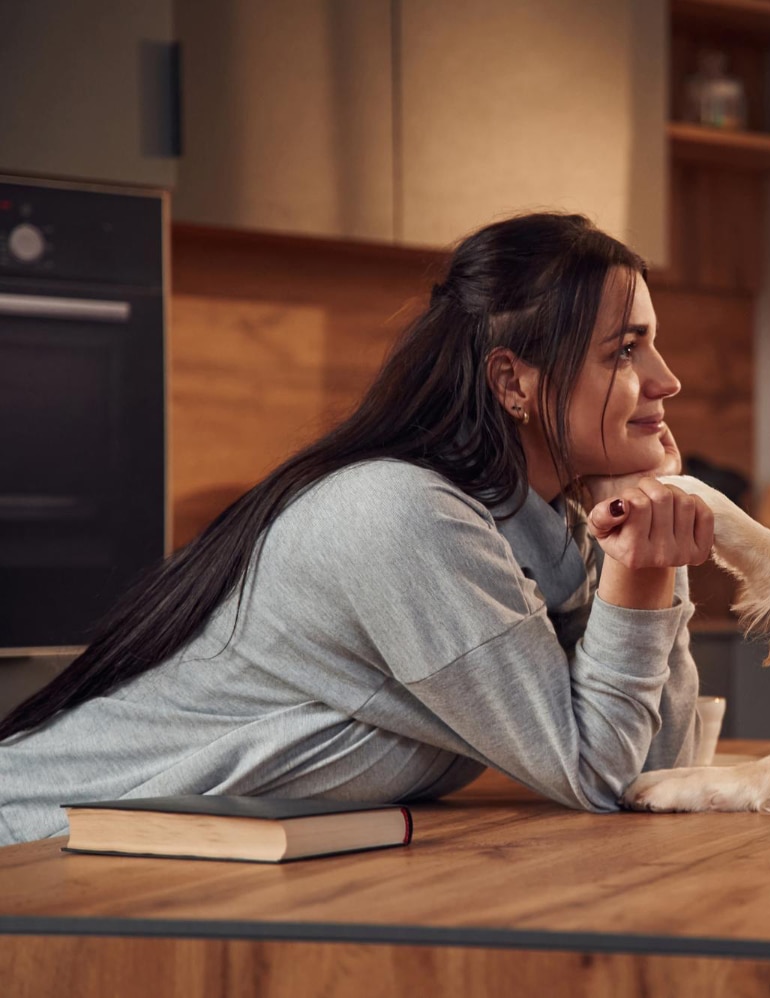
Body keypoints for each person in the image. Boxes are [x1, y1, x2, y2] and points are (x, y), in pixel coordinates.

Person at [0, 213, 713, 845]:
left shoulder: (547, 539)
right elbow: (595, 773)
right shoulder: (405, 517)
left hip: (139, 862)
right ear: (512, 383)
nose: (666, 379)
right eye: (625, 350)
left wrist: (653, 535)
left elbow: (658, 777)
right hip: (34, 847)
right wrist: (644, 566)